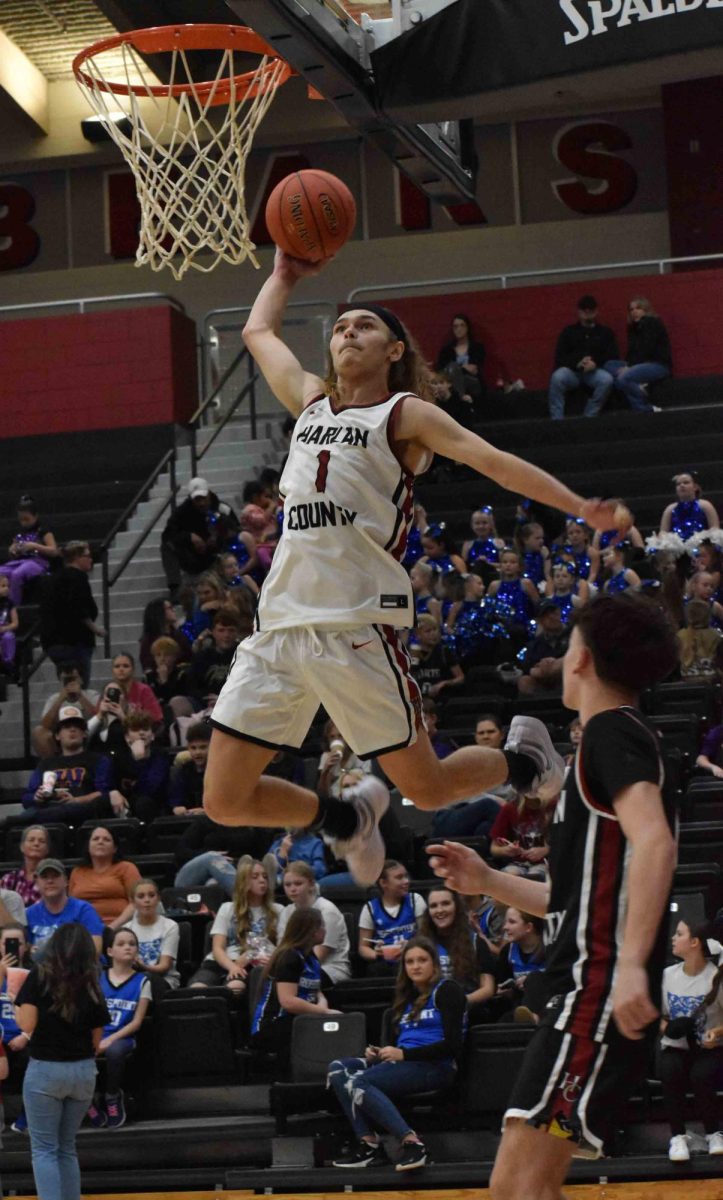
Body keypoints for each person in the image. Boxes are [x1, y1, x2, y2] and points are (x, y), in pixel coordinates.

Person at [204, 250, 631, 891]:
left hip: (356, 626)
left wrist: (577, 506)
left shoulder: (402, 417)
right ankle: (344, 817)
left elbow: (494, 461)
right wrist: (284, 276)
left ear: (394, 349)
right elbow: (258, 333)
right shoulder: (311, 403)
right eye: (341, 326)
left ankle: (524, 761)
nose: (347, 332)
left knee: (427, 790)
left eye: (363, 326)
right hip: (279, 628)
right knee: (224, 799)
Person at [428, 591, 679, 1195]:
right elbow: (571, 901)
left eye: (569, 646)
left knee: (517, 1190)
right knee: (532, 1188)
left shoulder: (611, 734)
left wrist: (629, 972)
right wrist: (487, 881)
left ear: (583, 660)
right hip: (586, 999)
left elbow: (657, 843)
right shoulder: (607, 742)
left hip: (593, 1003)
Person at [330, 936, 466, 1171]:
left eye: (422, 960)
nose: (416, 966)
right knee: (339, 1069)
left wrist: (404, 1055)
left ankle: (412, 1144)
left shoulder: (448, 990)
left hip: (436, 1066)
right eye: (410, 961)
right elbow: (396, 1046)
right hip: (405, 1064)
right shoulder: (405, 999)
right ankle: (369, 1146)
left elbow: (453, 1045)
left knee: (358, 1082)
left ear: (434, 963)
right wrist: (378, 1054)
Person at [14, 923, 110, 1200]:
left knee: (44, 1149)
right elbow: (96, 1041)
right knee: (67, 1147)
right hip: (82, 1072)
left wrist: (15, 1004)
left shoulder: (39, 975)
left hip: (46, 1070)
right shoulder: (92, 981)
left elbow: (27, 1025)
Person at [659, 918, 723, 1161]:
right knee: (669, 1067)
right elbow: (656, 1015)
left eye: (679, 934)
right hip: (677, 1048)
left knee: (702, 1074)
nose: (673, 939)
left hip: (710, 1049)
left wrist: (716, 1033)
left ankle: (713, 1133)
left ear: (695, 942)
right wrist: (668, 1028)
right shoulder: (668, 975)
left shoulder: (716, 977)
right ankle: (678, 1136)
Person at [250, 907, 337, 1070]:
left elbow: (316, 991)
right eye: (322, 926)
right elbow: (288, 1002)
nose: (325, 930)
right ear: (312, 930)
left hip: (300, 1018)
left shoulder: (310, 956)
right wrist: (323, 1012)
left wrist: (322, 1006)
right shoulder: (289, 957)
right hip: (274, 1024)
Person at [87, 927, 152, 1130]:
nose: (127, 948)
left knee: (115, 1051)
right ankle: (86, 1100)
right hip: (96, 1034)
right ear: (109, 951)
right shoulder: (97, 979)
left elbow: (136, 1022)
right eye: (121, 944)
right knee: (76, 1049)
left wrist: (109, 1040)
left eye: (132, 944)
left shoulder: (143, 981)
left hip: (123, 1037)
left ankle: (112, 1096)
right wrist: (96, 1039)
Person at [188, 857, 282, 991]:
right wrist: (232, 967)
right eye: (255, 877)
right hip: (220, 962)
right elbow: (218, 948)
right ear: (243, 882)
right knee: (197, 988)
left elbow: (283, 946)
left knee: (235, 987)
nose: (262, 880)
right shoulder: (227, 908)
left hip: (253, 965)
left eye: (265, 877)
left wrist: (248, 958)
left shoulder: (278, 910)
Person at [19, 706, 113, 827]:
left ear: (84, 734)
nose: (72, 729)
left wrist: (76, 800)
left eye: (77, 727)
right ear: (57, 736)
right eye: (67, 727)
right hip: (49, 809)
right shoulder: (46, 764)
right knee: (17, 821)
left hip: (84, 812)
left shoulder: (98, 760)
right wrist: (37, 797)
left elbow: (104, 793)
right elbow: (26, 798)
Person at [430, 714, 514, 838]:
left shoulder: (512, 763)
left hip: (489, 818)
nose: (486, 736)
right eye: (481, 733)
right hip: (450, 815)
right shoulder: (464, 761)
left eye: (491, 732)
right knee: (489, 805)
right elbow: (458, 794)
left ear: (501, 735)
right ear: (476, 737)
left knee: (485, 828)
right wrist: (494, 800)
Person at [418, 887, 495, 1014]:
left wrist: (460, 1001)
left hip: (468, 1009)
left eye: (446, 904)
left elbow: (488, 988)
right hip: (429, 1010)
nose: (440, 910)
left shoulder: (476, 942)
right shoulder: (420, 944)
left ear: (457, 907)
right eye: (434, 906)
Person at [161, 476, 240, 596]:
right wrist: (189, 536)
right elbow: (168, 534)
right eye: (197, 500)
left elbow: (236, 530)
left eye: (203, 498)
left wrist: (218, 535)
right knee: (167, 546)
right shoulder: (182, 512)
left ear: (209, 494)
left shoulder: (222, 509)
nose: (201, 503)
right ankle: (175, 588)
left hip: (218, 554)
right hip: (192, 556)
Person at [39, 541, 104, 686]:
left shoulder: (53, 578)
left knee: (68, 686)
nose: (91, 559)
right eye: (88, 556)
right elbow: (78, 607)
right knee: (79, 688)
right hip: (74, 641)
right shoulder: (78, 577)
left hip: (53, 643)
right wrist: (95, 628)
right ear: (77, 557)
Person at [276, 862, 350, 985]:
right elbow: (282, 948)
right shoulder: (286, 912)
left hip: (330, 968)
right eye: (287, 885)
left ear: (311, 884)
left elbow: (319, 955)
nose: (292, 889)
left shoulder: (327, 910)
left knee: (291, 981)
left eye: (298, 883)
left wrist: (288, 969)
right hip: (295, 966)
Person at [547, 296, 617, 420]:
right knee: (557, 377)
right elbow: (560, 356)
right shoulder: (568, 332)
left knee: (606, 380)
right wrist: (577, 363)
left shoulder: (605, 332)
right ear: (579, 312)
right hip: (573, 372)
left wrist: (595, 363)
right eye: (584, 310)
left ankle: (589, 415)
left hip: (594, 371)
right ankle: (557, 419)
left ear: (596, 311)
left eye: (590, 310)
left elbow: (612, 355)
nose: (587, 314)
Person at [603, 296, 672, 414]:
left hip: (657, 364)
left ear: (646, 310)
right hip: (639, 364)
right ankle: (638, 386)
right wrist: (628, 365)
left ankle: (644, 404)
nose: (634, 312)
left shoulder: (652, 323)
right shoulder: (633, 328)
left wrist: (629, 367)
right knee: (609, 365)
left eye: (638, 308)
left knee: (622, 379)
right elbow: (632, 352)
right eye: (631, 309)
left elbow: (647, 349)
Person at [358, 861, 427, 972]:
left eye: (406, 876)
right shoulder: (370, 908)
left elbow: (426, 936)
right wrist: (377, 954)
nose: (406, 881)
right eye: (399, 878)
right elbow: (363, 948)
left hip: (413, 957)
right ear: (383, 883)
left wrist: (411, 945)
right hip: (384, 964)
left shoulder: (416, 900)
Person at [68, 825, 141, 929]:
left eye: (106, 839)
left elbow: (136, 903)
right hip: (84, 931)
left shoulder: (127, 868)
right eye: (95, 839)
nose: (100, 842)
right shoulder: (77, 871)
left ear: (115, 848)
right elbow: (71, 906)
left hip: (121, 929)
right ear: (88, 846)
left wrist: (111, 928)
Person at [26, 861, 104, 957]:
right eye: (44, 877)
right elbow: (25, 950)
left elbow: (96, 949)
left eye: (55, 876)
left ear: (66, 881)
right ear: (37, 882)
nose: (50, 881)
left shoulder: (83, 909)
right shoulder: (29, 913)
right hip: (43, 969)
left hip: (80, 969)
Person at [106, 713, 170, 822]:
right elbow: (104, 779)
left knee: (143, 803)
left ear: (153, 735)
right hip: (123, 804)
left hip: (153, 805)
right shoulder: (118, 756)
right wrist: (113, 792)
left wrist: (141, 760)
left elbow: (150, 789)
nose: (141, 733)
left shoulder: (160, 755)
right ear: (127, 737)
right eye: (135, 730)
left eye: (145, 729)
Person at [0, 922, 33, 1132]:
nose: (12, 947)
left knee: (36, 1058)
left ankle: (28, 1114)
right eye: (7, 943)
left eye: (17, 943)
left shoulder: (34, 974)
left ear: (26, 946)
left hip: (24, 1037)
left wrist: (26, 1036)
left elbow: (42, 1015)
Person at [33, 662, 100, 760]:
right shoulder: (54, 699)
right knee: (38, 732)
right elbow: (45, 725)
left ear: (81, 680)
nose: (70, 682)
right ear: (60, 680)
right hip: (62, 738)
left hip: (87, 734)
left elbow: (99, 717)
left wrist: (80, 696)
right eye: (66, 680)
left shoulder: (92, 695)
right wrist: (60, 700)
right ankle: (53, 766)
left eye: (73, 679)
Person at [1, 495, 59, 605]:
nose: (24, 523)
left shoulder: (44, 531)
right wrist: (12, 550)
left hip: (39, 562)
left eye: (27, 519)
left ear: (35, 516)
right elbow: (13, 551)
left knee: (17, 575)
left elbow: (54, 551)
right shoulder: (20, 532)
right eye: (21, 520)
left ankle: (13, 609)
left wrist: (35, 546)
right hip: (20, 561)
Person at [125, 878, 181, 994]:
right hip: (132, 978)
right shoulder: (126, 929)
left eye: (151, 895)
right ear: (132, 902)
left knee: (144, 980)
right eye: (141, 896)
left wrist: (143, 966)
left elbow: (164, 966)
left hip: (164, 980)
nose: (147, 900)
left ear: (158, 898)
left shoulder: (170, 926)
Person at [488, 794, 555, 881]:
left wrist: (546, 849)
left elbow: (568, 843)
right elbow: (493, 848)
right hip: (517, 863)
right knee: (508, 876)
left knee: (535, 877)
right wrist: (506, 850)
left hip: (545, 863)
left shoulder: (554, 807)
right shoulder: (510, 808)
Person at [516, 600, 569, 696]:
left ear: (559, 613)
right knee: (524, 681)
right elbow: (527, 668)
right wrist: (541, 668)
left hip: (569, 676)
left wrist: (556, 664)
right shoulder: (535, 644)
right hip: (545, 682)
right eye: (546, 615)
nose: (551, 617)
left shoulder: (574, 634)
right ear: (539, 621)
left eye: (553, 612)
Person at [436, 313, 487, 412]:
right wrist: (462, 367)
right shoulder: (447, 350)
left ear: (467, 328)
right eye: (455, 326)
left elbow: (474, 369)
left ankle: (460, 397)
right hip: (451, 384)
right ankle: (462, 398)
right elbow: (442, 371)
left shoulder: (476, 347)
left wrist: (455, 369)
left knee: (453, 367)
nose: (459, 329)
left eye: (462, 325)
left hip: (472, 382)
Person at [101, 653, 163, 727]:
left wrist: (123, 716)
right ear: (112, 670)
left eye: (126, 666)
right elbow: (98, 718)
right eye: (117, 666)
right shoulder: (109, 689)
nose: (121, 669)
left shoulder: (144, 690)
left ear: (133, 669)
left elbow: (156, 718)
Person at [411, 613, 465, 699]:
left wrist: (444, 683)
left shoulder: (444, 651)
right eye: (428, 631)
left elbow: (461, 678)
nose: (433, 634)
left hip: (442, 700)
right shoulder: (412, 653)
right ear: (418, 635)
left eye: (435, 629)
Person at [660, 471, 720, 540]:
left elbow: (715, 529)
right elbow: (663, 532)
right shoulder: (670, 509)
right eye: (678, 484)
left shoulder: (705, 505)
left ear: (695, 487)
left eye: (686, 483)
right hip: (677, 548)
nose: (681, 485)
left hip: (702, 547)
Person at [138, 597, 192, 673]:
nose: (174, 610)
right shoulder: (148, 640)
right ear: (159, 612)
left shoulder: (179, 635)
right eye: (170, 608)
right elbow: (148, 666)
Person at [168, 721, 211, 816]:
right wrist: (176, 807)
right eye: (193, 748)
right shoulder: (183, 770)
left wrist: (206, 811)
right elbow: (176, 799)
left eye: (203, 747)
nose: (198, 752)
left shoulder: (219, 771)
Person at [0, 825, 50, 907]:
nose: (36, 843)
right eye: (31, 840)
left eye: (42, 841)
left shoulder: (52, 881)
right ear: (22, 847)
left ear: (47, 849)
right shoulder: (8, 879)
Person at [0, 572, 18, 675]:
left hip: (4, 630)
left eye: (8, 586)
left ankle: (8, 662)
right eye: (3, 586)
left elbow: (15, 623)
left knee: (9, 637)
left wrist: (4, 629)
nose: (6, 588)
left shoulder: (10, 603)